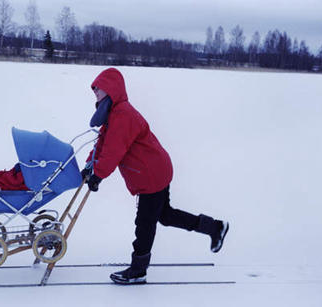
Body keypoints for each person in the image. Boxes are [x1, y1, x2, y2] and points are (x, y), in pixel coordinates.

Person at [82, 68, 229, 285]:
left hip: (150, 173)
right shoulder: (114, 113)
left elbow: (114, 150)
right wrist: (90, 165)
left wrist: (99, 175)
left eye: (98, 88)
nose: (95, 92)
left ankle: (138, 270)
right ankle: (215, 227)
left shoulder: (123, 115)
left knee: (145, 222)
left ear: (112, 89)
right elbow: (103, 143)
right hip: (154, 169)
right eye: (93, 89)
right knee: (165, 216)